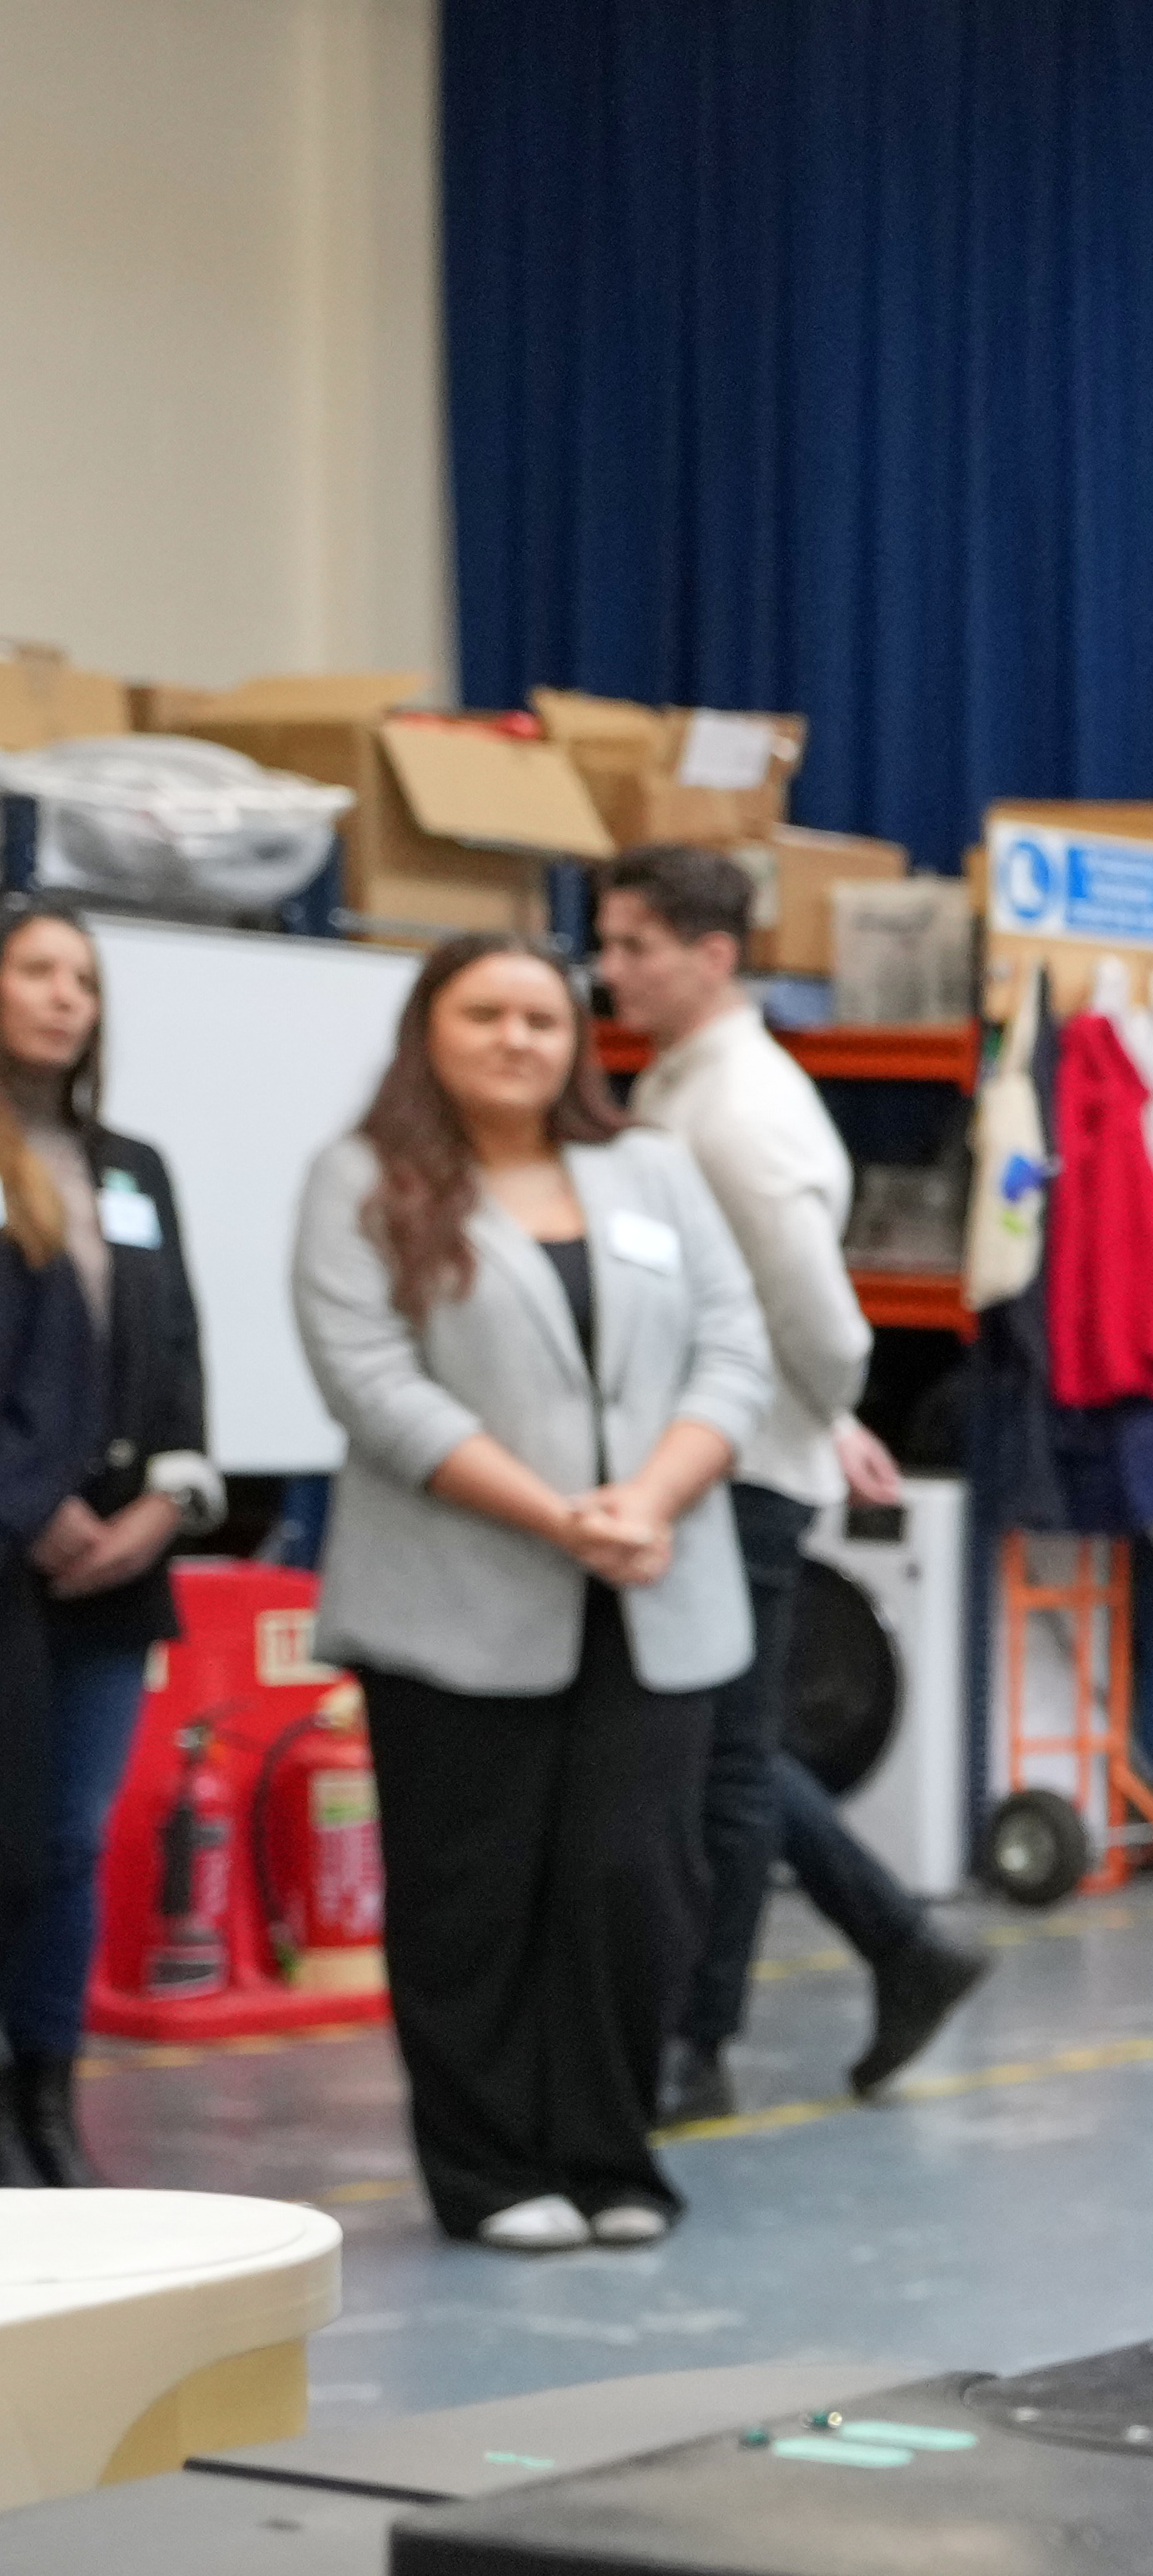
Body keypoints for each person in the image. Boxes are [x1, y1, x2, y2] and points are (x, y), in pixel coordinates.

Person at [292, 934, 772, 2251]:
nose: (516, 1039)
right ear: (428, 1030)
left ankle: (612, 2158)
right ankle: (492, 2173)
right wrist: (560, 1517)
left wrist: (649, 1501)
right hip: (454, 1599)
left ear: (578, 1042)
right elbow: (372, 1384)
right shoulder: (362, 1179)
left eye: (543, 1019)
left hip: (654, 1591)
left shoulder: (652, 1168)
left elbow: (736, 1352)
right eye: (484, 1014)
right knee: (470, 1893)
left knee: (636, 1885)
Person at [591, 847, 988, 2116]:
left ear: (713, 956)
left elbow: (816, 1314)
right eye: (607, 942)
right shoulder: (684, 1079)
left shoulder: (740, 1108)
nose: (610, 969)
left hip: (739, 1468)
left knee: (727, 1762)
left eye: (636, 946)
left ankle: (698, 2042)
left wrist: (823, 1412)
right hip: (726, 1452)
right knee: (731, 1748)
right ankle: (901, 1948)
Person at [0, 897, 185, 2184]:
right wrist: (32, 1504)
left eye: (85, 978)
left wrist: (165, 1506)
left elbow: (176, 1348)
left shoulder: (132, 1168)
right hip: (10, 1550)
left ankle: (51, 2102)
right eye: (37, 971)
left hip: (122, 1556)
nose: (66, 996)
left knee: (72, 1838)